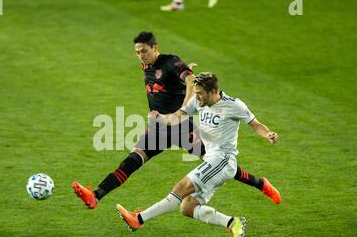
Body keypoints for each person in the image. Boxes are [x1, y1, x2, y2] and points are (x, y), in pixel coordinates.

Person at [72, 32, 281, 210]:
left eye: (144, 51)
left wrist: (183, 105)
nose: (140, 56)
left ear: (155, 48)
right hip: (158, 127)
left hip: (181, 126)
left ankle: (261, 184)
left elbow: (190, 79)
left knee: (218, 163)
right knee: (131, 161)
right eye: (137, 52)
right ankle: (95, 195)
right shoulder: (147, 66)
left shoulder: (171, 61)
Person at [116, 72, 280, 237]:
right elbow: (178, 117)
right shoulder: (198, 100)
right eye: (196, 93)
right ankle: (233, 223)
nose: (197, 97)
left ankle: (138, 220)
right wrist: (161, 118)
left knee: (180, 189)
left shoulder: (234, 105)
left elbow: (255, 124)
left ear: (213, 91)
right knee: (187, 207)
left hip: (223, 160)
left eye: (200, 93)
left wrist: (268, 134)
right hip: (213, 160)